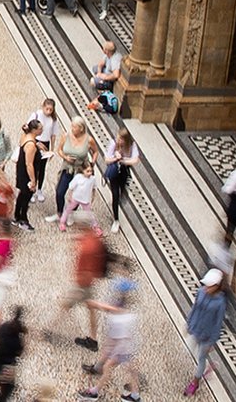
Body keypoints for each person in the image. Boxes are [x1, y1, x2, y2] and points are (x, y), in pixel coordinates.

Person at [80, 257, 141, 400]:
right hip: (123, 338)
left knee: (112, 366)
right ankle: (135, 394)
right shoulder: (125, 300)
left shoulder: (123, 311)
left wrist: (96, 304)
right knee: (122, 362)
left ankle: (94, 392)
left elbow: (112, 309)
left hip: (124, 342)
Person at [53, 216, 108, 349]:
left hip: (83, 283)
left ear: (82, 225)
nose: (76, 226)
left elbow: (86, 264)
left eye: (77, 224)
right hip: (88, 282)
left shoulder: (87, 246)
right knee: (91, 309)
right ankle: (93, 340)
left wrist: (81, 282)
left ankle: (53, 330)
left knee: (65, 304)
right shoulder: (93, 239)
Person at [183, 269, 231, 396]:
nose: (205, 288)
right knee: (188, 349)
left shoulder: (220, 303)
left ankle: (195, 382)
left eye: (209, 286)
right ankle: (201, 373)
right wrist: (189, 323)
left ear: (216, 287)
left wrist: (212, 341)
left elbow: (218, 323)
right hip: (195, 328)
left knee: (201, 358)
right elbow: (195, 308)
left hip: (207, 335)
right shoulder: (201, 292)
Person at [55, 123, 96, 223]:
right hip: (68, 168)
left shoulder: (89, 140)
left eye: (74, 127)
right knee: (60, 192)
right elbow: (59, 149)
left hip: (80, 169)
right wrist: (65, 157)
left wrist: (92, 163)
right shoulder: (66, 136)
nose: (72, 129)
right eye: (72, 126)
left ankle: (71, 214)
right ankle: (60, 212)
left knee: (78, 192)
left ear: (81, 129)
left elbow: (95, 151)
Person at [103, 131, 139, 233]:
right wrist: (115, 158)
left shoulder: (132, 145)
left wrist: (123, 160)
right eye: (118, 138)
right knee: (115, 194)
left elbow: (135, 160)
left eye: (121, 139)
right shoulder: (113, 143)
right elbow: (106, 160)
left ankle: (120, 198)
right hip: (115, 171)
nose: (118, 140)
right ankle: (116, 219)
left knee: (122, 190)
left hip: (124, 171)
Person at [14, 120, 46, 229]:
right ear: (35, 130)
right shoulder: (31, 145)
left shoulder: (26, 137)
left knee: (22, 194)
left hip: (21, 170)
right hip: (27, 173)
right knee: (26, 196)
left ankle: (17, 216)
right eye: (40, 129)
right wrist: (33, 180)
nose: (42, 130)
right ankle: (23, 219)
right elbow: (29, 164)